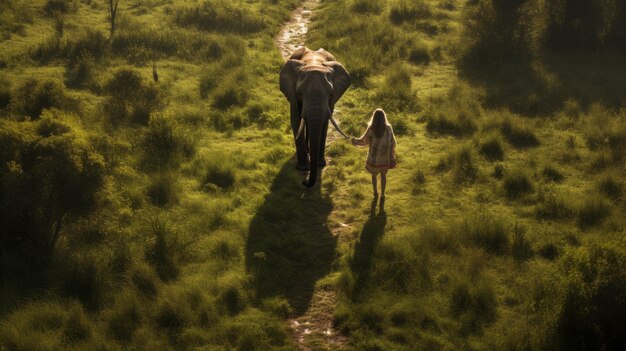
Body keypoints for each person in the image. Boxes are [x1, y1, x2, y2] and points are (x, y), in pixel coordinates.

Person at [351, 108, 397, 208]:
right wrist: (391, 155)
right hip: (385, 158)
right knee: (384, 176)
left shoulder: (371, 128)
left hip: (373, 159)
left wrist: (354, 141)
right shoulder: (389, 128)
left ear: (374, 117)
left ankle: (375, 192)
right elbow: (393, 142)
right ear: (384, 117)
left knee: (374, 176)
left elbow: (363, 141)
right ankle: (383, 194)